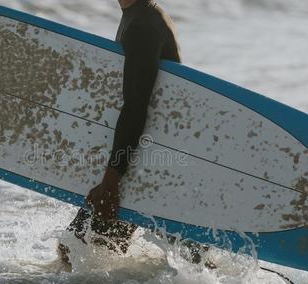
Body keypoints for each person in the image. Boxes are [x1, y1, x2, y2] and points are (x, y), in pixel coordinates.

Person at [58, 0, 204, 265]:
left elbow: (136, 106)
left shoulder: (143, 25)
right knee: (189, 261)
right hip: (151, 159)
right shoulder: (141, 15)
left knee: (74, 251)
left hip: (147, 163)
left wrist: (112, 179)